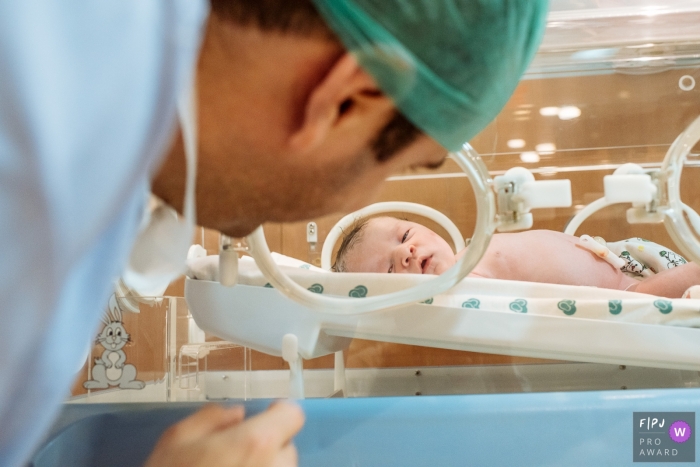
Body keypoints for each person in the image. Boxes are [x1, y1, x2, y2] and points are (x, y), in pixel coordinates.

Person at [0, 1, 548, 466]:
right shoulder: (30, 191)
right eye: (400, 169)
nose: (364, 201)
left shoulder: (97, 97)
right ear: (346, 100)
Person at [333, 216, 700, 298]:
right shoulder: (461, 285)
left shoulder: (467, 257)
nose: (405, 252)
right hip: (628, 294)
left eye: (405, 235)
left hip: (621, 259)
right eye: (388, 267)